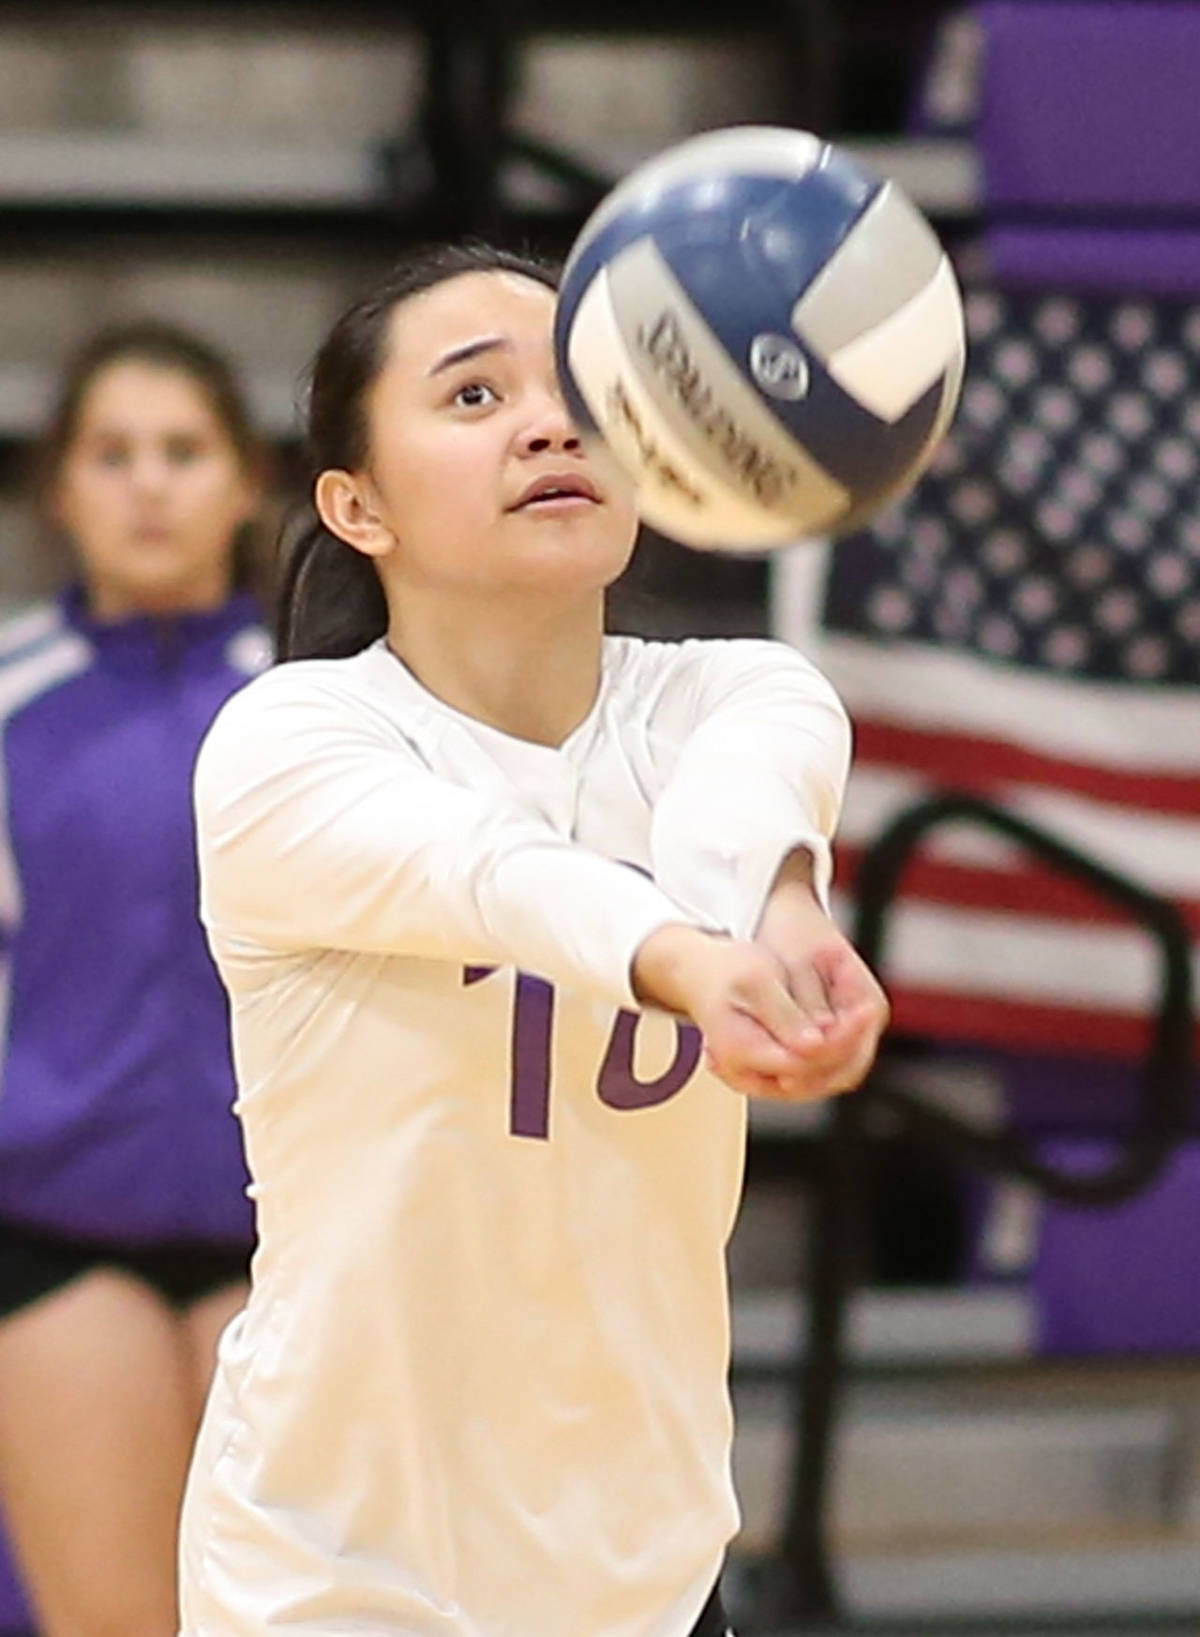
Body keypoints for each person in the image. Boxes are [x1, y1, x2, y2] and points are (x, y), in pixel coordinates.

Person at [181, 242, 889, 1637]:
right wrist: (697, 963)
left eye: (586, 391)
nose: (552, 423)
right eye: (473, 397)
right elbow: (494, 875)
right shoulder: (290, 740)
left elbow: (745, 817)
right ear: (355, 504)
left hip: (648, 1574)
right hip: (337, 1579)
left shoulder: (745, 691)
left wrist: (784, 913)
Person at [0, 322, 271, 1637]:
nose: (150, 483)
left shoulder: (329, 711)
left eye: (183, 450)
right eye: (113, 454)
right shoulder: (6, 702)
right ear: (61, 489)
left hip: (288, 1250)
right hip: (52, 1238)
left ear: (247, 481)